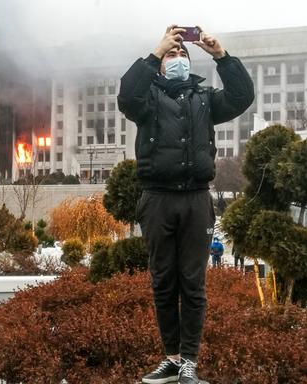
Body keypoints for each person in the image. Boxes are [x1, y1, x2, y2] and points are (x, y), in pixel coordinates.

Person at [118, 24, 254, 384]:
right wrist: (155, 52)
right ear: (162, 64)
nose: (177, 58)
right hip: (157, 199)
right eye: (171, 54)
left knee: (192, 283)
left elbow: (242, 97)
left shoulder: (205, 99)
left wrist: (221, 56)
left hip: (195, 199)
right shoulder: (147, 99)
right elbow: (126, 97)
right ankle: (172, 358)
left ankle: (190, 360)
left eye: (182, 54)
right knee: (164, 281)